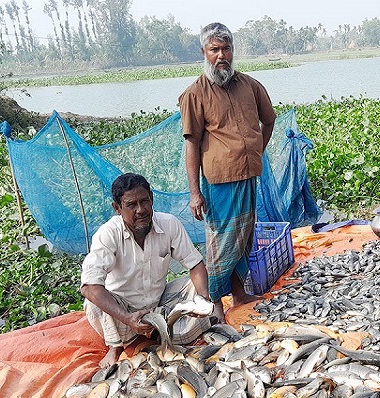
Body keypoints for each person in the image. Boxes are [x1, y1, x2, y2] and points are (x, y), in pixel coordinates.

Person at [179, 22, 277, 307]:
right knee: (220, 244)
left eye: (226, 48)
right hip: (219, 182)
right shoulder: (195, 94)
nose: (221, 55)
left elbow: (268, 120)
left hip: (248, 174)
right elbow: (192, 143)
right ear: (204, 52)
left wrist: (256, 149)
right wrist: (194, 192)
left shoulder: (250, 85)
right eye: (214, 50)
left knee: (243, 239)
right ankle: (215, 305)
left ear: (233, 51)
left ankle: (238, 294)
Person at [81, 173, 223, 368]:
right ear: (117, 208)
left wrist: (203, 299)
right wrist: (128, 318)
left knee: (196, 288)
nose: (141, 210)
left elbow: (195, 264)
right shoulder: (108, 234)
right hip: (121, 312)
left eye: (145, 201)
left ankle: (161, 330)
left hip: (159, 303)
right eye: (131, 205)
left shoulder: (169, 223)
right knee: (95, 302)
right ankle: (116, 346)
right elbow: (89, 287)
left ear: (152, 199)